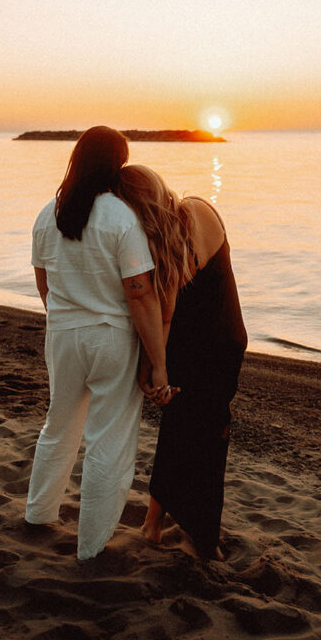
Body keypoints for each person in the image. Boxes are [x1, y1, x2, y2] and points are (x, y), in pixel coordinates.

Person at [25, 127, 168, 561]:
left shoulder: (49, 213)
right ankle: (91, 546)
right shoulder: (121, 217)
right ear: (116, 165)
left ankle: (38, 514)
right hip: (110, 338)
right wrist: (158, 361)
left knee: (60, 425)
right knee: (109, 439)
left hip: (64, 334)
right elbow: (140, 292)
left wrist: (66, 318)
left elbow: (43, 281)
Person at [115, 165, 247, 560]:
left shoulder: (195, 212)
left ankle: (201, 538)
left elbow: (167, 305)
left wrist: (155, 366)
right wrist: (159, 363)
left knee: (205, 434)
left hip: (215, 344)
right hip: (193, 343)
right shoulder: (163, 235)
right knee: (180, 429)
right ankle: (155, 525)